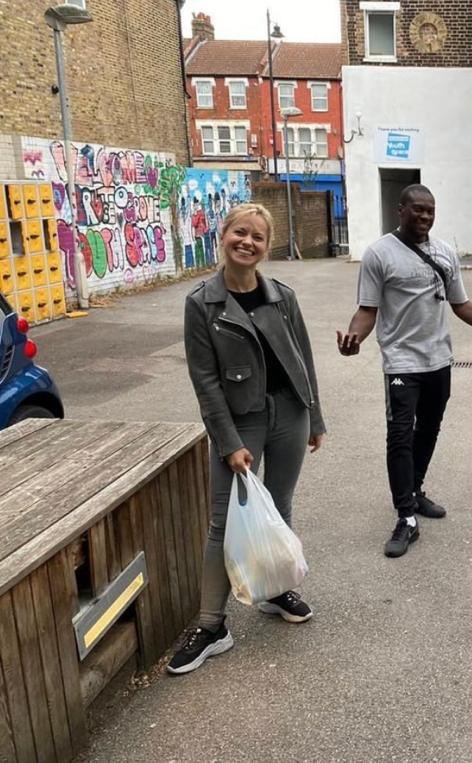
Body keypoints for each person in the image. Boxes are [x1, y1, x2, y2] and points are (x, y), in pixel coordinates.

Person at [169, 203, 327, 675]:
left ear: (266, 245)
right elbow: (205, 381)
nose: (248, 243)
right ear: (224, 235)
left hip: (290, 415)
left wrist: (315, 418)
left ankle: (275, 592)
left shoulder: (282, 296)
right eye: (241, 232)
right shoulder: (202, 303)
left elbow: (303, 360)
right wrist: (228, 439)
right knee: (224, 520)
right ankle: (212, 625)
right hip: (241, 421)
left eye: (258, 237)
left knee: (278, 506)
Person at [338, 184, 472, 558]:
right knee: (400, 435)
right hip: (401, 361)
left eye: (430, 211)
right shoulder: (378, 254)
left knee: (429, 429)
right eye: (417, 209)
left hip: (439, 360)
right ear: (399, 210)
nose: (424, 216)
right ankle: (405, 517)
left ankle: (415, 491)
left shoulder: (445, 253)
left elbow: (461, 303)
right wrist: (354, 337)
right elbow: (367, 310)